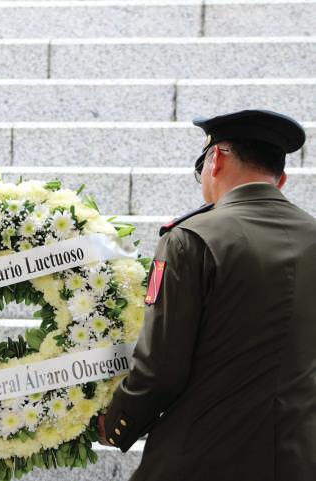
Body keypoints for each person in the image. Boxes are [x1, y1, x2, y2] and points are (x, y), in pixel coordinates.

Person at [98, 109, 316, 481]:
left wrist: (117, 423)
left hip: (204, 455)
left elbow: (161, 369)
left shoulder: (190, 238)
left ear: (216, 159)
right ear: (280, 180)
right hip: (299, 456)